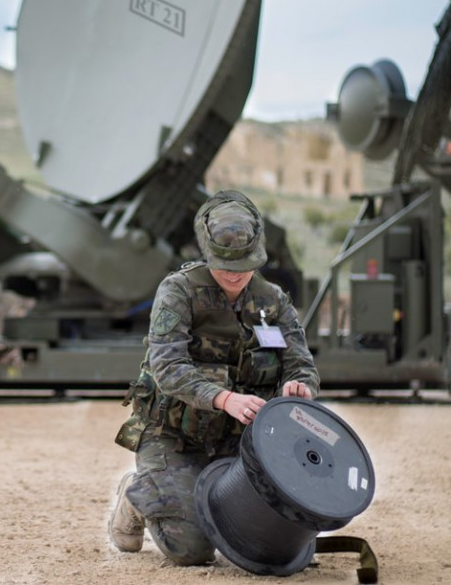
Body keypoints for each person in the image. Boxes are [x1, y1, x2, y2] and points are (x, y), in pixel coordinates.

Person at [108, 189, 320, 565]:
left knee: (263, 541)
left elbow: (301, 364)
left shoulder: (274, 302)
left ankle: (187, 490)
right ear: (206, 252)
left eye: (244, 265)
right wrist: (224, 398)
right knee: (192, 550)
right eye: (224, 264)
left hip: (239, 445)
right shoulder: (179, 292)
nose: (234, 274)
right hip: (174, 436)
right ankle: (139, 493)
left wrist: (299, 386)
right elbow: (168, 368)